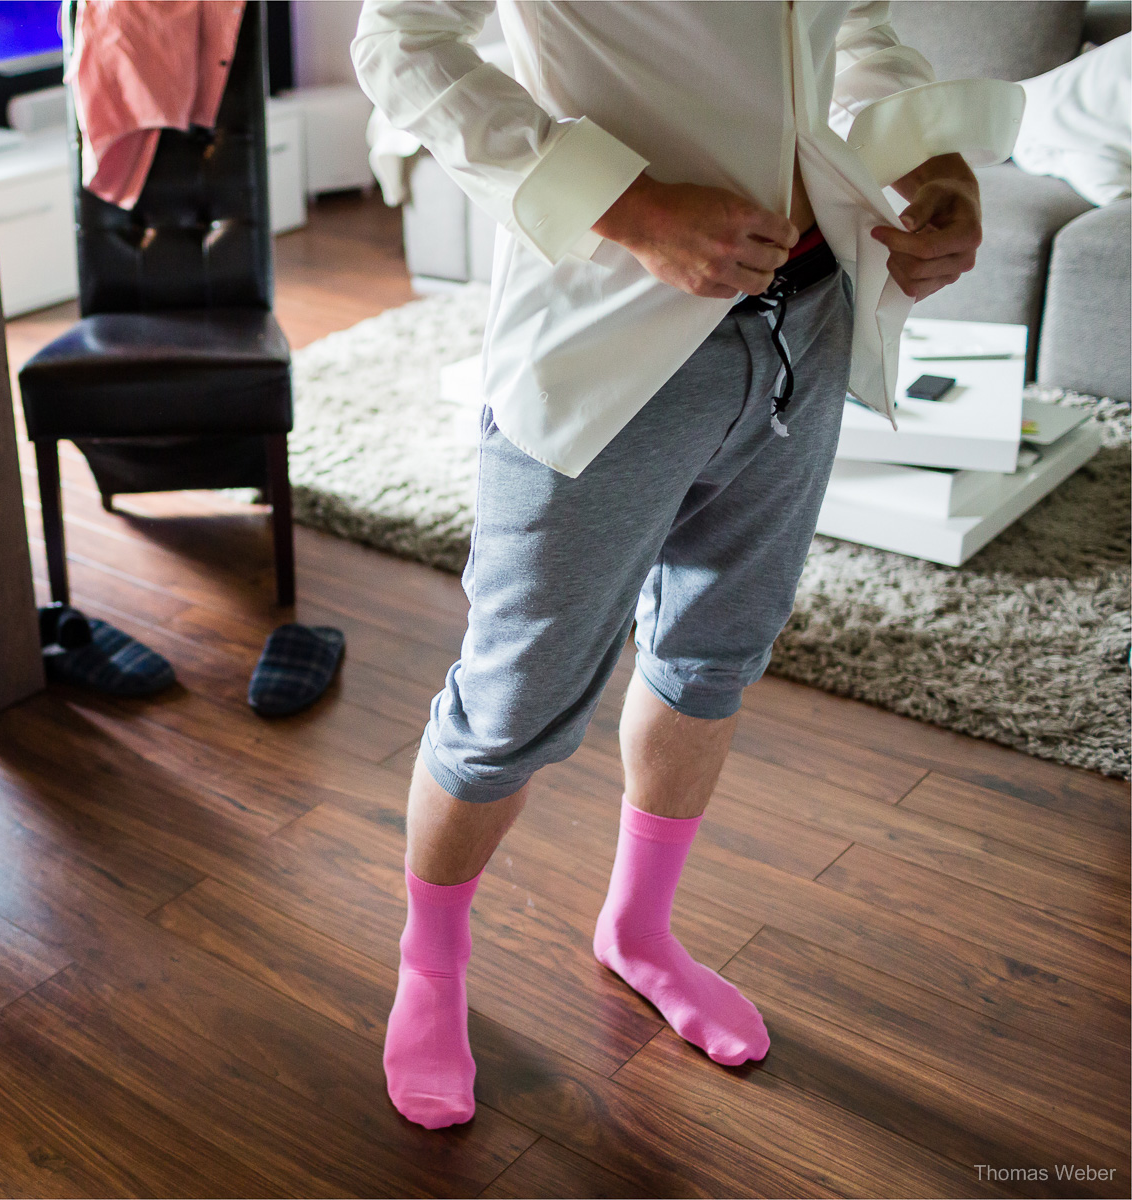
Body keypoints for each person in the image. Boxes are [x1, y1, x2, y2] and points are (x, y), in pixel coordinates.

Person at [352, 1, 1023, 1129]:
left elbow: (849, 23)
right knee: (512, 696)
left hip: (805, 319)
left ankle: (639, 929)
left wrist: (931, 158)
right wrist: (628, 206)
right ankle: (431, 971)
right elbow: (400, 41)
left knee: (715, 652)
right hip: (608, 329)